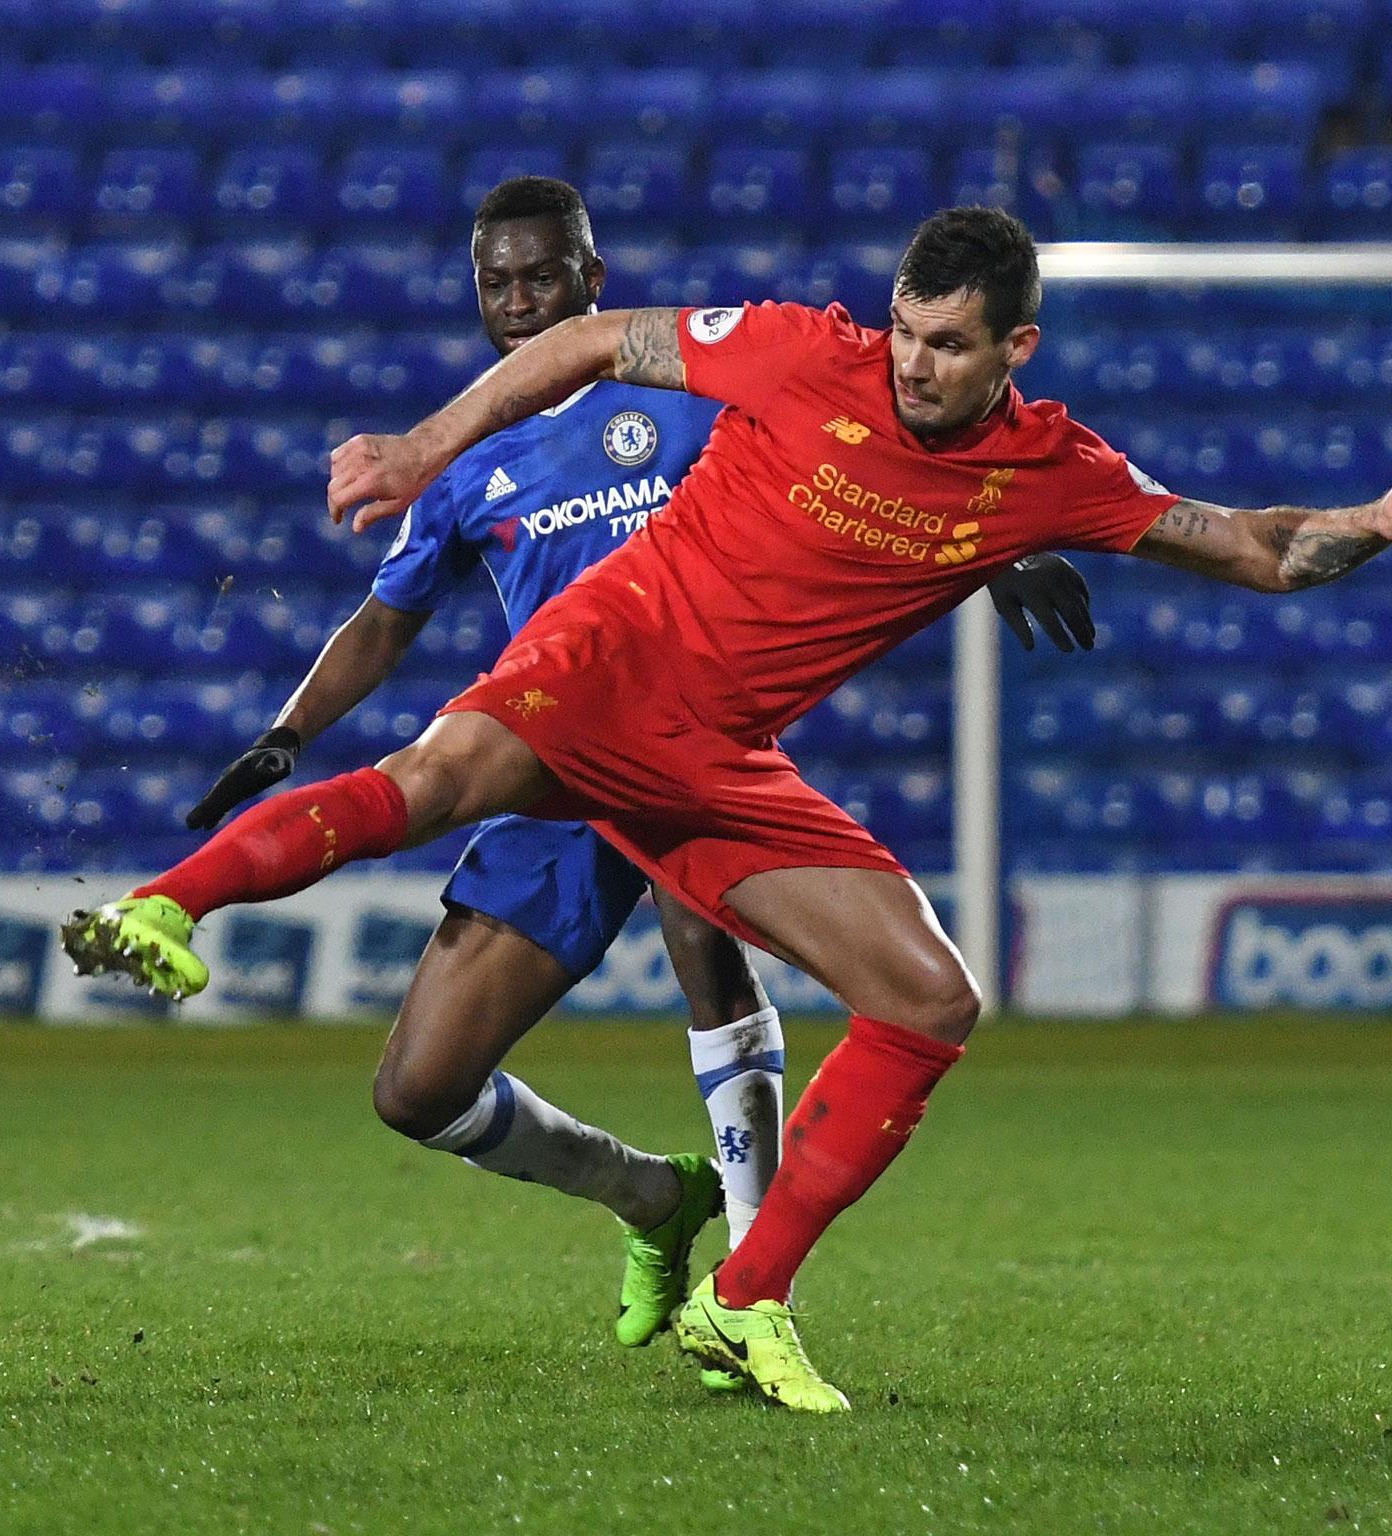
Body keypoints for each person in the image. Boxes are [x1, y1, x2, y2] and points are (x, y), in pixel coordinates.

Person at [65, 208, 1392, 1410]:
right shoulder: (809, 352)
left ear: (1015, 351)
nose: (915, 365)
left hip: (715, 758)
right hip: (605, 658)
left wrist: (1366, 524)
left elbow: (1252, 546)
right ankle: (166, 904)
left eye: (947, 345)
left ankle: (744, 1295)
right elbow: (582, 344)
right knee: (432, 787)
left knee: (929, 998)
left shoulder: (1053, 472)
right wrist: (418, 448)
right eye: (906, 331)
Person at [168, 179, 1097, 1376]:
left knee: (707, 939)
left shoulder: (687, 400)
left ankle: (755, 1285)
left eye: (540, 279)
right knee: (417, 1088)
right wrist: (292, 729)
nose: (517, 303)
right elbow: (382, 619)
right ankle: (652, 1198)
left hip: (684, 734)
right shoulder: (466, 456)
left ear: (589, 281)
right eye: (495, 284)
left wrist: (992, 539)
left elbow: (861, 476)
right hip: (541, 756)